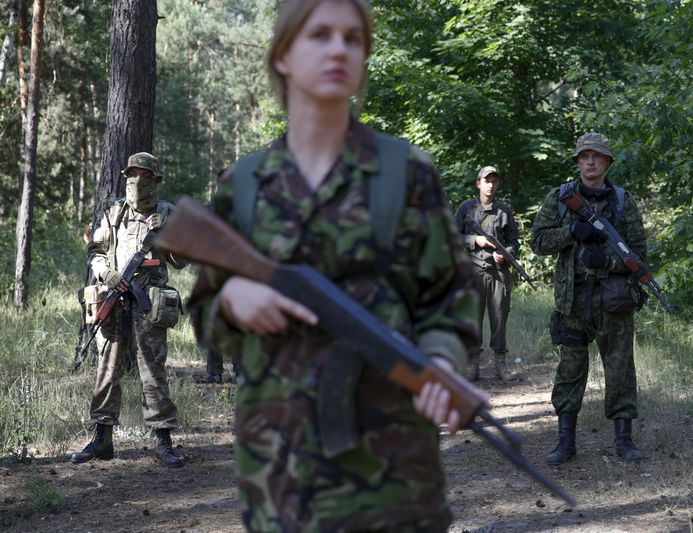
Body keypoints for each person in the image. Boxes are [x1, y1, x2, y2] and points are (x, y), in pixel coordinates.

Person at [188, 0, 487, 530]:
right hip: (277, 471)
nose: (338, 49)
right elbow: (206, 314)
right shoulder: (245, 184)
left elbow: (453, 296)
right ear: (283, 54)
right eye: (320, 34)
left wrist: (441, 361)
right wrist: (234, 300)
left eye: (353, 39)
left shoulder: (405, 172)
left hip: (394, 474)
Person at [530, 133, 648, 464]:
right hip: (572, 300)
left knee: (621, 368)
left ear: (608, 162)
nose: (591, 161)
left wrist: (608, 263)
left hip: (614, 299)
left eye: (597, 156)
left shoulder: (623, 202)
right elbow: (537, 241)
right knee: (570, 370)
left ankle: (624, 441)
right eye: (584, 156)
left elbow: (639, 255)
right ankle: (565, 442)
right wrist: (571, 232)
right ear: (578, 161)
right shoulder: (560, 198)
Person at [70, 152, 187, 468]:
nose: (136, 181)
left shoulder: (168, 214)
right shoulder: (113, 211)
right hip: (115, 297)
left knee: (153, 370)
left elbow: (181, 260)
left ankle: (162, 440)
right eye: (131, 175)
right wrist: (107, 274)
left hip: (149, 302)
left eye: (143, 175)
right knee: (107, 369)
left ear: (155, 180)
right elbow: (96, 251)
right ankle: (102, 438)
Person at [454, 166, 520, 381]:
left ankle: (500, 365)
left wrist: (506, 255)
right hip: (471, 271)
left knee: (499, 318)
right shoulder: (466, 208)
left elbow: (513, 242)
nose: (490, 184)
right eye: (486, 180)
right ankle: (473, 364)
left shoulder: (503, 210)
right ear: (478, 183)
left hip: (498, 273)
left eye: (494, 180)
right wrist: (475, 240)